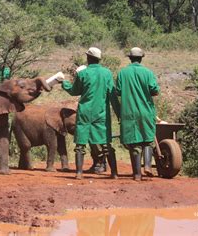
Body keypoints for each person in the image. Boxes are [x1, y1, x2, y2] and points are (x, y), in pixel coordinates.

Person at [61, 47, 120, 179]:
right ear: (99, 59)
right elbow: (113, 96)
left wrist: (64, 84)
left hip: (84, 112)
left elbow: (74, 91)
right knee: (105, 143)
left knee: (80, 144)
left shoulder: (83, 74)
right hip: (101, 113)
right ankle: (114, 173)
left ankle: (79, 173)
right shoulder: (107, 74)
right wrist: (119, 114)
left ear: (88, 58)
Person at [116, 47, 160, 181]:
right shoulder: (148, 72)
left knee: (134, 142)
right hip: (146, 111)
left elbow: (118, 91)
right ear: (141, 58)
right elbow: (155, 90)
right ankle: (147, 165)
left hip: (128, 112)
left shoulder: (122, 73)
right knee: (147, 139)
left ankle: (136, 174)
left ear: (130, 58)